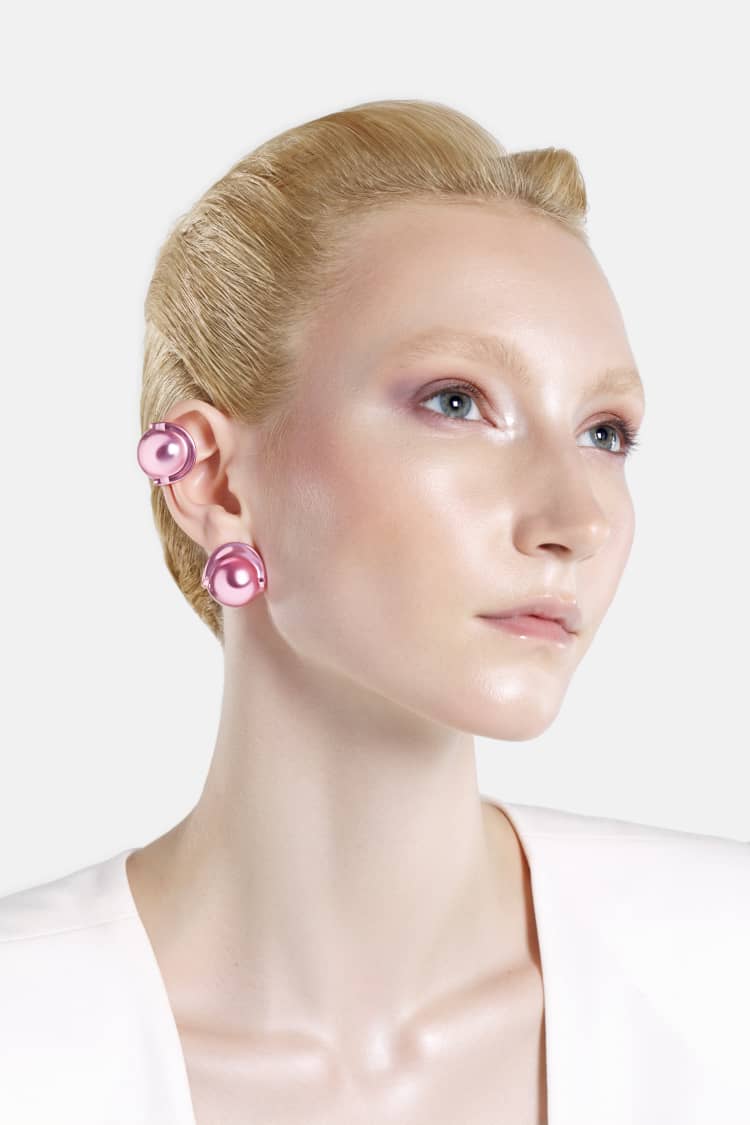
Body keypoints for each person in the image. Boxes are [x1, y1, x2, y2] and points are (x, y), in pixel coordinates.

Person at [1, 98, 748, 1125]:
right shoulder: (24, 1033)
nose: (576, 519)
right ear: (213, 480)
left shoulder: (726, 973)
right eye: (457, 402)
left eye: (605, 432)